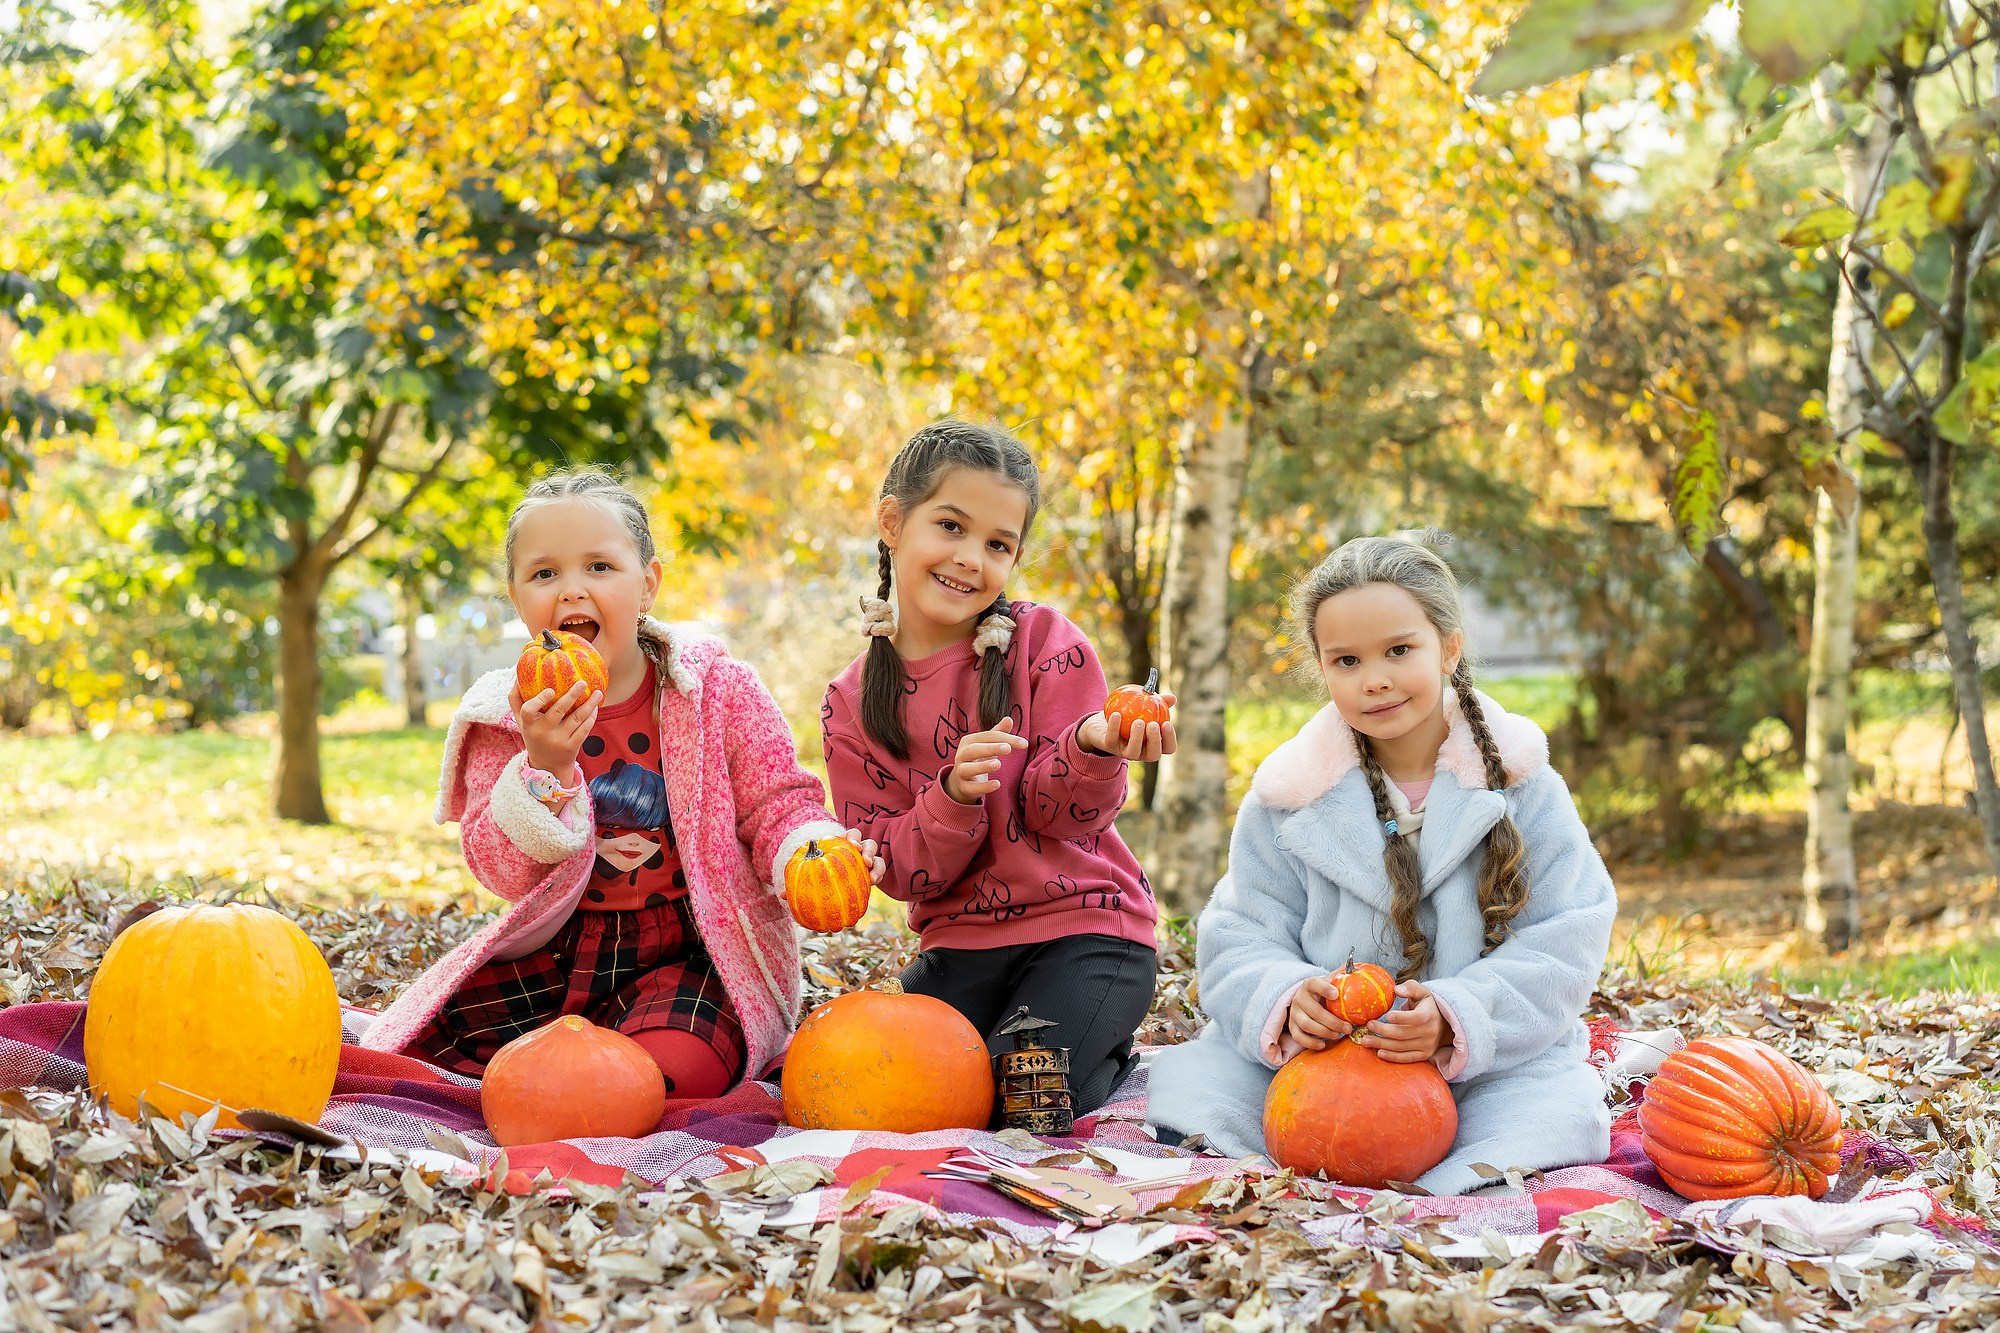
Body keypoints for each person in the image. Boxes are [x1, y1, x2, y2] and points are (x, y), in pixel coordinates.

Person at [360, 470, 880, 1101]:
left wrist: (807, 851)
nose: (572, 589)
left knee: (678, 1070)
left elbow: (778, 803)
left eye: (600, 567)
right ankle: (568, 1075)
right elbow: (500, 871)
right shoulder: (504, 718)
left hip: (690, 950)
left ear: (648, 585)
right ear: (516, 596)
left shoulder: (718, 692)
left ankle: (611, 1074)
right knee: (420, 1056)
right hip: (564, 950)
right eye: (544, 574)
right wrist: (545, 766)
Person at [1146, 536, 1616, 1193]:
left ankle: (1448, 1186)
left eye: (1400, 650)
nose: (1375, 678)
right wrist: (1287, 997)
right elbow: (1238, 932)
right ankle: (1297, 1168)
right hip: (1316, 1067)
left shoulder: (1522, 783)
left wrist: (1456, 1016)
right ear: (1322, 667)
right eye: (1347, 659)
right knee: (1191, 1092)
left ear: (1448, 647)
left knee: (1551, 1118)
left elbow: (1566, 936)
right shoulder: (1289, 799)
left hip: (1483, 1069)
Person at [820, 419, 1170, 1114]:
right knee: (900, 1091)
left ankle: (1097, 1052)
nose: (970, 558)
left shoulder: (1046, 643)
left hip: (1088, 931)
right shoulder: (851, 701)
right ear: (893, 521)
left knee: (1024, 1095)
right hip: (961, 948)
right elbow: (901, 872)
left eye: (997, 543)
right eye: (951, 526)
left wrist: (1093, 744)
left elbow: (1064, 818)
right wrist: (950, 795)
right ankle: (1046, 1048)